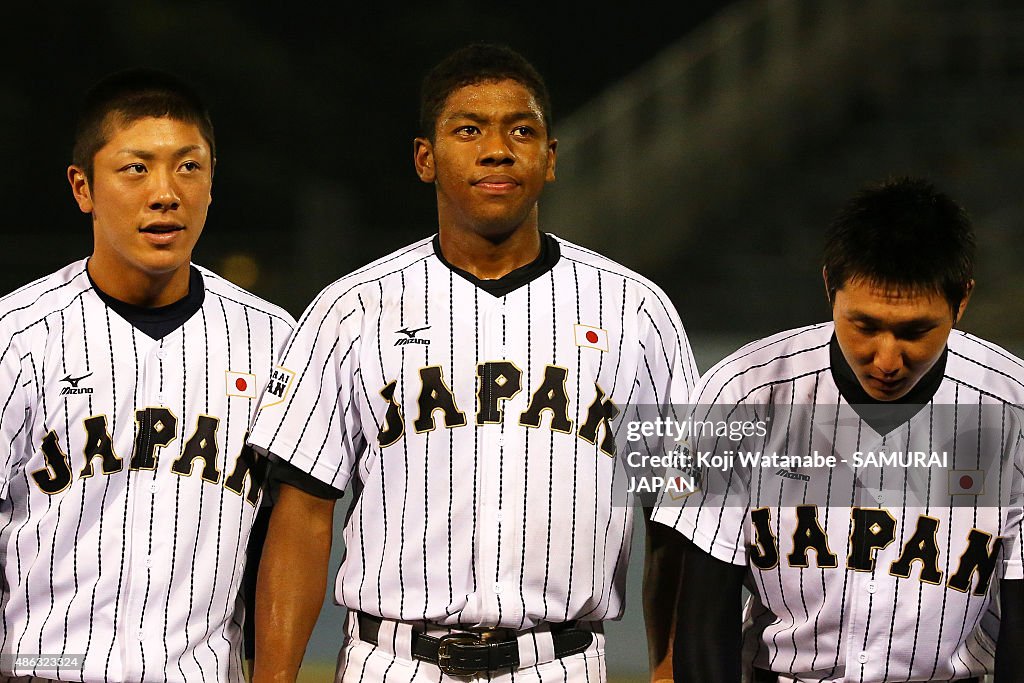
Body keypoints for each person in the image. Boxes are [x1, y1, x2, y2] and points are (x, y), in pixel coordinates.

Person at [248, 42, 696, 682]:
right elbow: (303, 513)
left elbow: (682, 514)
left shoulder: (638, 309)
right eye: (468, 130)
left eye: (522, 130)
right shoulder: (351, 308)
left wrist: (671, 671)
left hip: (561, 662)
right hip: (393, 662)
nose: (497, 149)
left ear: (551, 160)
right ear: (425, 159)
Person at [653, 176, 1024, 682]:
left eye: (915, 331)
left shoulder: (1013, 408)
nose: (887, 359)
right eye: (865, 326)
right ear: (830, 286)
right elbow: (703, 615)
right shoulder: (742, 392)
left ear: (961, 302)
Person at [0, 69, 295, 682]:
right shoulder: (17, 336)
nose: (166, 192)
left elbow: (285, 542)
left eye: (189, 167)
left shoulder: (273, 341)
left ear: (212, 182)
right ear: (83, 187)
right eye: (135, 168)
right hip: (44, 669)